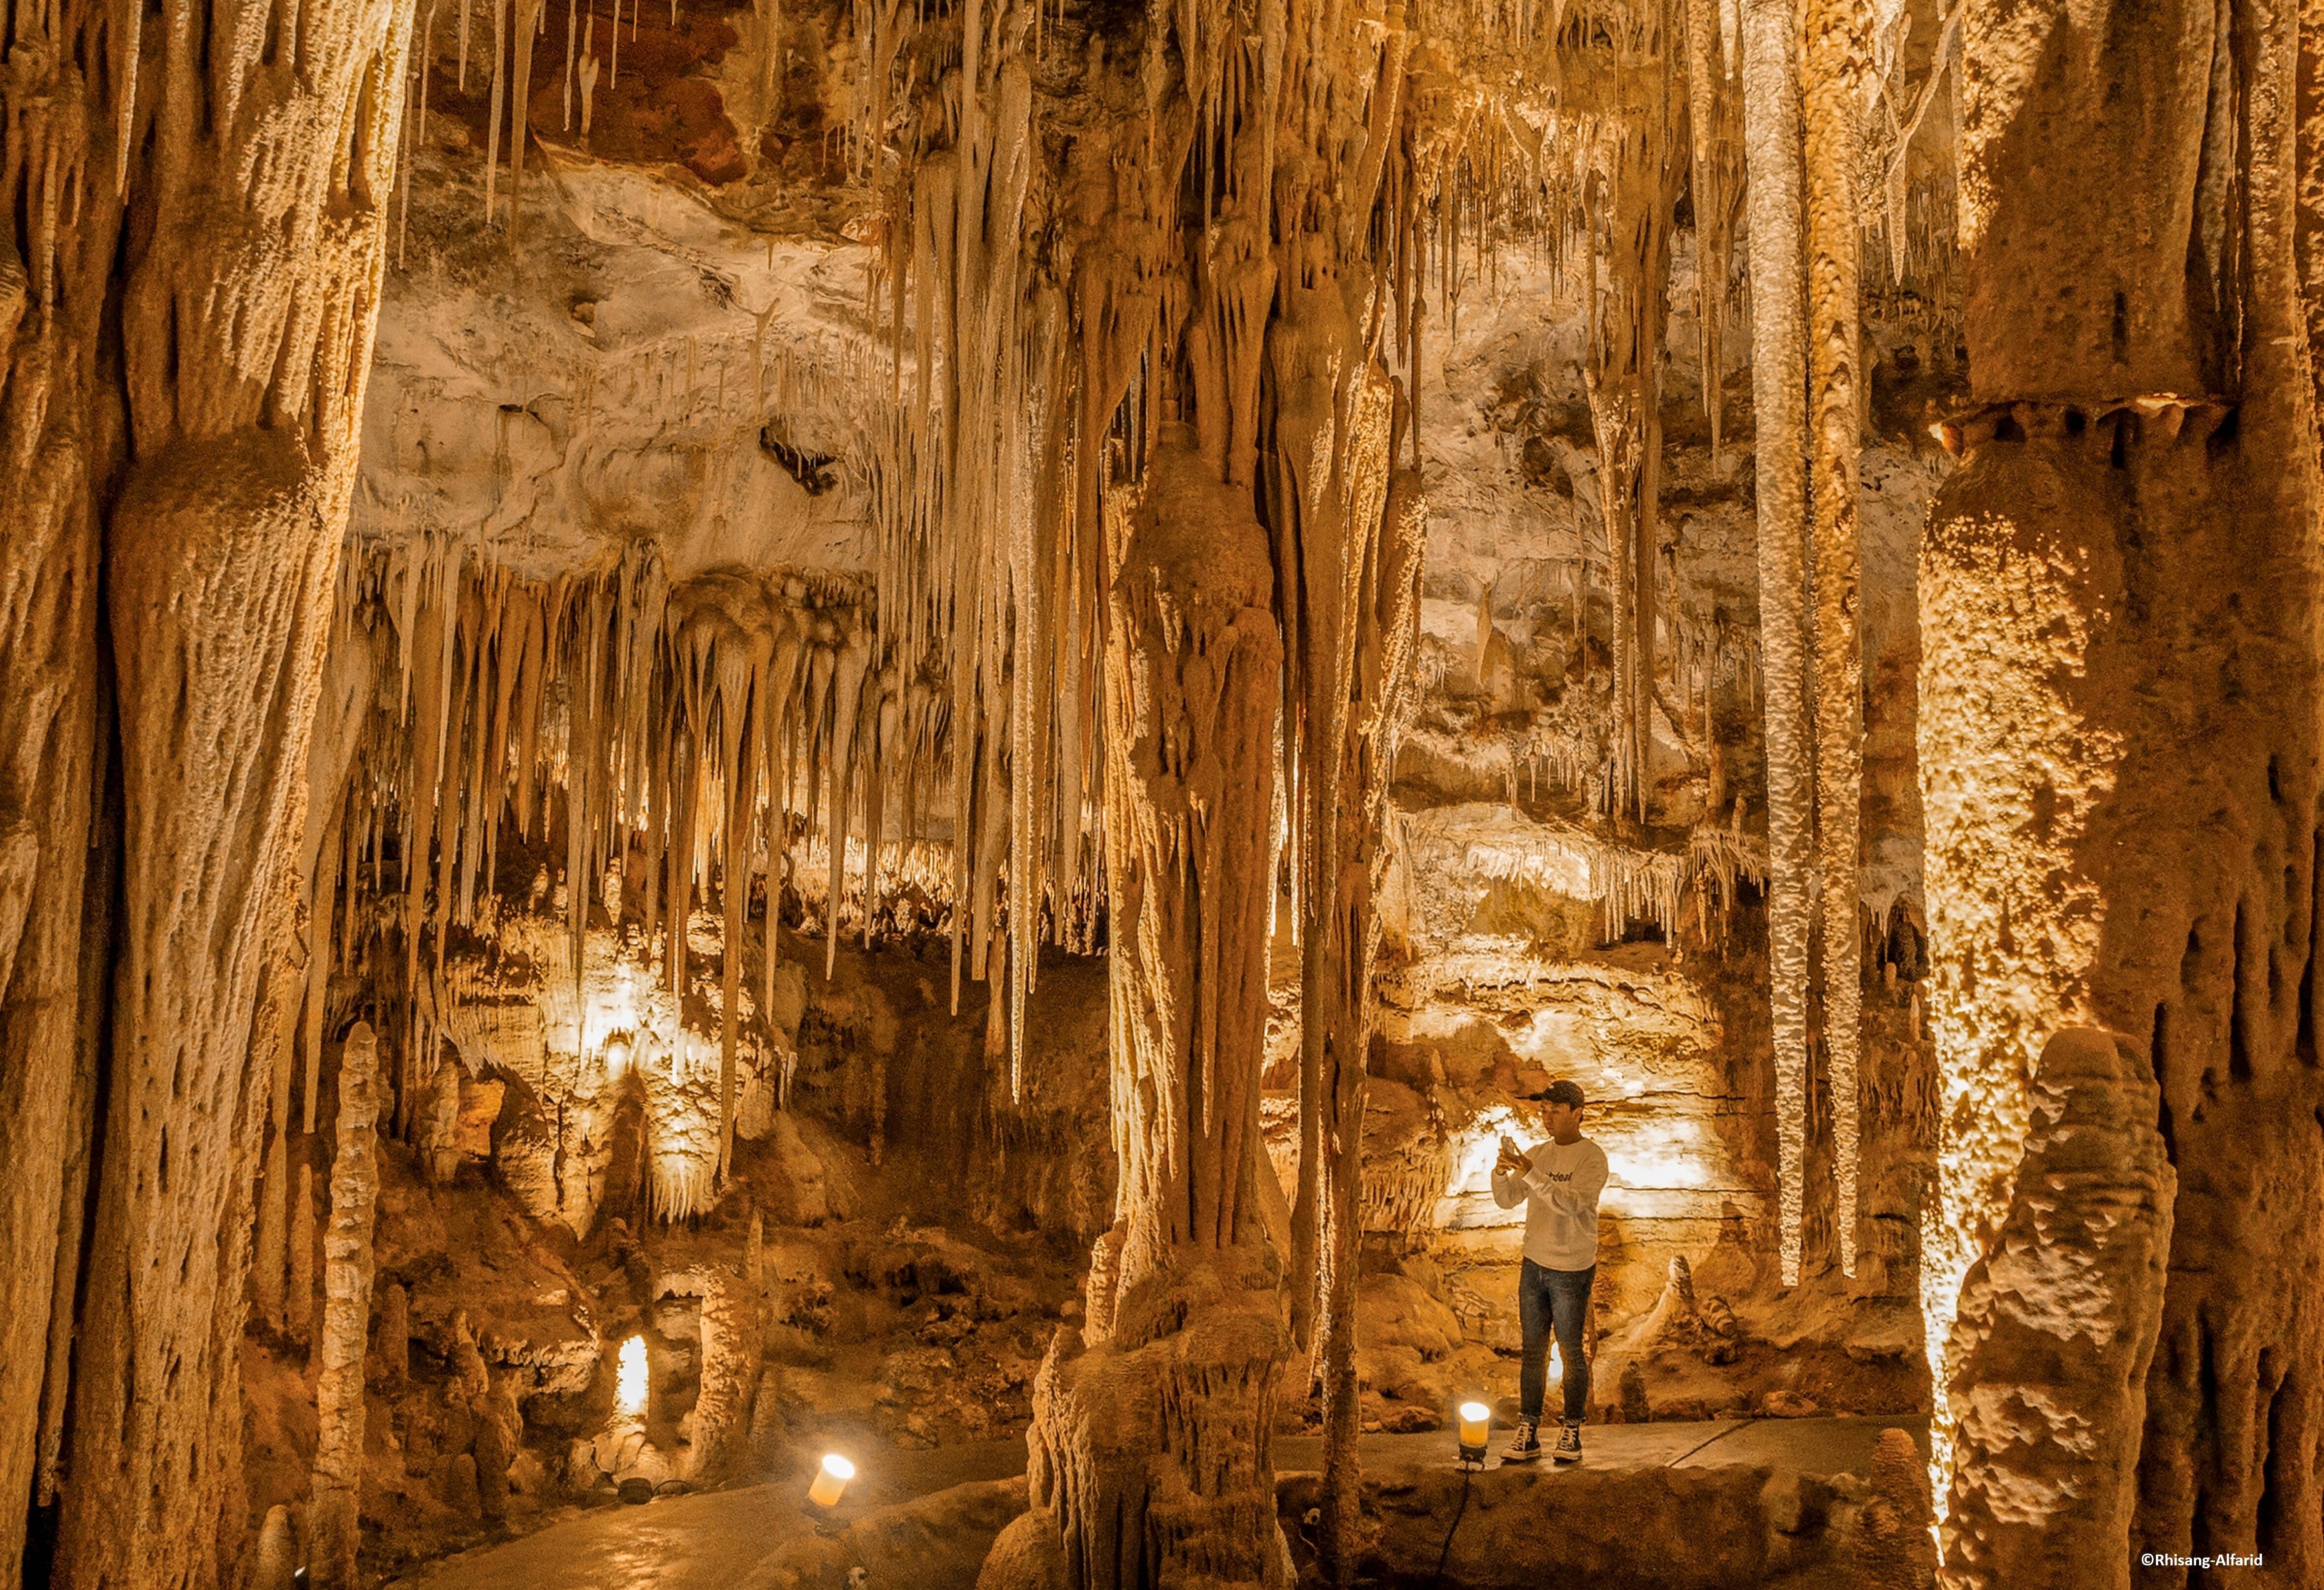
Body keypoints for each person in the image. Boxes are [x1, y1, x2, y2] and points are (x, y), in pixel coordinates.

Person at [1490, 1078, 1609, 1463]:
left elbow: (1571, 1204)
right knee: (1533, 1351)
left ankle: (1571, 1429)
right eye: (1543, 1111)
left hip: (1572, 1269)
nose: (1547, 1118)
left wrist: (1529, 1170)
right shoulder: (1539, 1154)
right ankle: (1529, 1429)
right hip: (1535, 1264)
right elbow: (1508, 1200)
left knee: (1571, 1352)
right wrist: (1502, 1172)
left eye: (1555, 1111)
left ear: (1577, 1113)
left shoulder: (1593, 1158)